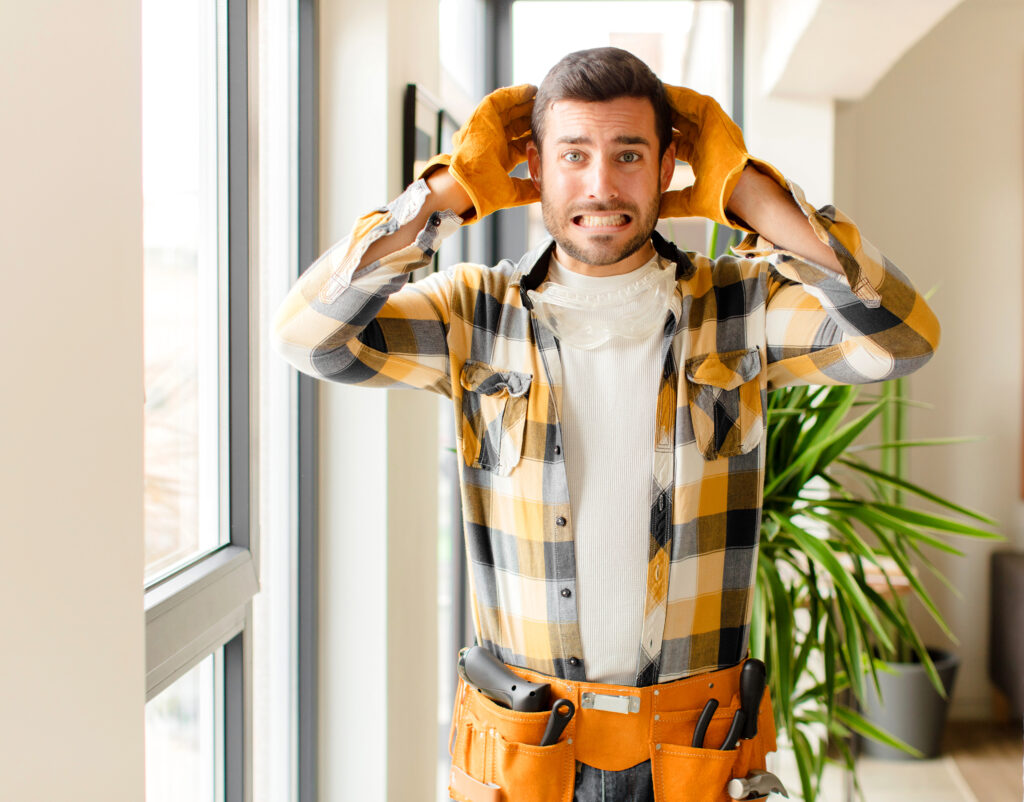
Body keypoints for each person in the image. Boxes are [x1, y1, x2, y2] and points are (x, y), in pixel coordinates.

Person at [273, 47, 939, 802]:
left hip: (698, 749)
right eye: (574, 155)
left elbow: (901, 340)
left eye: (629, 155)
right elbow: (306, 337)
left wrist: (750, 192)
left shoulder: (740, 307)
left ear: (667, 171)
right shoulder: (473, 312)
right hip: (528, 750)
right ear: (533, 168)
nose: (601, 184)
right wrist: (446, 194)